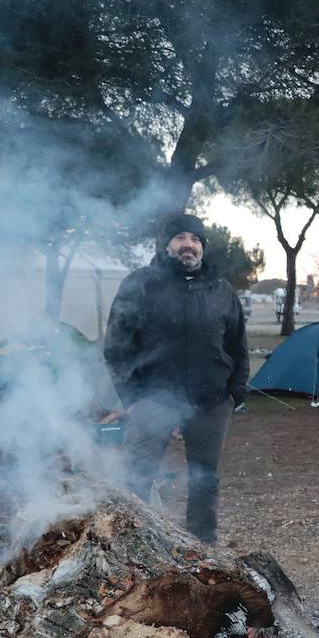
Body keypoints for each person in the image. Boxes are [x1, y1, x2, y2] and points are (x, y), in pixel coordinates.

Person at [104, 213, 248, 543]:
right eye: (181, 237)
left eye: (196, 239)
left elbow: (238, 345)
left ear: (203, 248)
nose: (189, 244)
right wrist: (133, 398)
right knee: (138, 474)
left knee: (204, 478)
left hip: (210, 401)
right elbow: (116, 346)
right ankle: (134, 546)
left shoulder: (221, 290)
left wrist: (234, 394)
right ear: (167, 244)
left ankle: (203, 549)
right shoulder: (140, 284)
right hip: (153, 400)